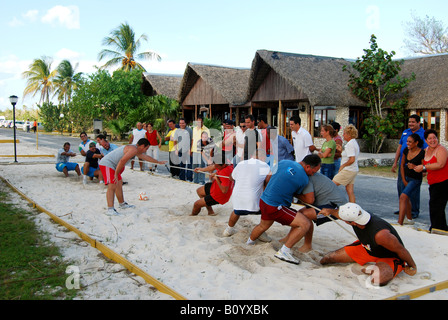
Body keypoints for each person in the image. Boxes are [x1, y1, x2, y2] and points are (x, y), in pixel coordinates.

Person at [320, 203, 417, 287]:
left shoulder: (381, 235)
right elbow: (338, 213)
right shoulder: (355, 215)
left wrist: (412, 266)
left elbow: (401, 250)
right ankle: (369, 266)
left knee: (378, 280)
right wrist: (329, 211)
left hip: (388, 257)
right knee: (327, 258)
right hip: (367, 248)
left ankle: (373, 268)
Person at [247, 155, 321, 265]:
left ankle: (249, 242)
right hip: (276, 206)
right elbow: (304, 198)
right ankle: (285, 251)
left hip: (264, 200)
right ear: (308, 167)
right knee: (305, 224)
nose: (314, 174)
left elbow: (268, 178)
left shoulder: (284, 162)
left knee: (263, 225)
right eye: (314, 171)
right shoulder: (304, 179)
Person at [98, 138, 166, 216]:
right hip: (107, 164)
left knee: (119, 183)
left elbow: (145, 157)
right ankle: (110, 209)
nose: (146, 150)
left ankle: (122, 204)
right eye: (146, 148)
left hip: (113, 165)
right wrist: (116, 174)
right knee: (112, 185)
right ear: (142, 146)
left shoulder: (136, 149)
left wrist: (157, 162)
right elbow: (122, 161)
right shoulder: (133, 149)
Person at [223, 149, 271, 238]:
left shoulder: (241, 164)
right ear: (262, 156)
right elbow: (268, 184)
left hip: (237, 198)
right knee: (267, 212)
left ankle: (228, 229)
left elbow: (231, 178)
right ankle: (261, 231)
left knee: (236, 211)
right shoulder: (264, 166)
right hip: (253, 200)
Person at [296, 172, 348, 252]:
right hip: (326, 202)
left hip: (337, 207)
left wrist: (295, 194)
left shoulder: (306, 178)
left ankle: (307, 245)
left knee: (305, 215)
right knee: (299, 214)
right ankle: (289, 237)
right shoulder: (305, 175)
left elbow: (309, 200)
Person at [411, 129, 448, 232]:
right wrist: (422, 170)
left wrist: (423, 167)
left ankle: (439, 228)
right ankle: (438, 227)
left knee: (437, 206)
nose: (433, 140)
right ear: (426, 140)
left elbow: (440, 164)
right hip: (433, 183)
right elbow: (427, 165)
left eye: (434, 138)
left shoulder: (441, 149)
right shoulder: (426, 150)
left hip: (443, 182)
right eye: (430, 138)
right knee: (434, 206)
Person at [391, 115, 427, 219]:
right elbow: (400, 147)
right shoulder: (405, 132)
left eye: (413, 122)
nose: (410, 124)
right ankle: (404, 208)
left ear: (418, 123)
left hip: (415, 166)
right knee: (401, 187)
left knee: (414, 190)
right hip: (403, 165)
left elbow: (425, 151)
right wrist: (395, 162)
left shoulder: (423, 134)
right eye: (409, 122)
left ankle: (414, 211)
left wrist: (423, 168)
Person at [191, 151, 234, 216]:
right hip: (215, 187)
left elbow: (224, 191)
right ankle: (210, 211)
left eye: (217, 166)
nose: (216, 167)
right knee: (199, 191)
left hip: (219, 195)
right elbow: (214, 166)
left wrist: (216, 178)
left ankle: (192, 216)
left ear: (224, 165)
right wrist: (201, 169)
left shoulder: (225, 172)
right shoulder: (226, 162)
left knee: (196, 204)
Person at [397, 134, 425, 226]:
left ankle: (399, 222)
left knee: (403, 197)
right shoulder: (406, 150)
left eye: (410, 142)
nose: (407, 143)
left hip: (415, 179)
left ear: (416, 143)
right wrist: (403, 179)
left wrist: (414, 167)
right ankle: (409, 219)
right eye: (407, 141)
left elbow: (424, 169)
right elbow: (401, 165)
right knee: (406, 197)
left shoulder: (422, 153)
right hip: (406, 177)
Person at [332, 124, 360, 203]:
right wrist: (341, 151)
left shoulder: (350, 145)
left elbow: (352, 159)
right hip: (353, 170)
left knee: (331, 185)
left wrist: (342, 166)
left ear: (349, 135)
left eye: (344, 133)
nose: (343, 135)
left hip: (348, 170)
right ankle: (353, 207)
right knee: (349, 190)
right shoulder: (354, 143)